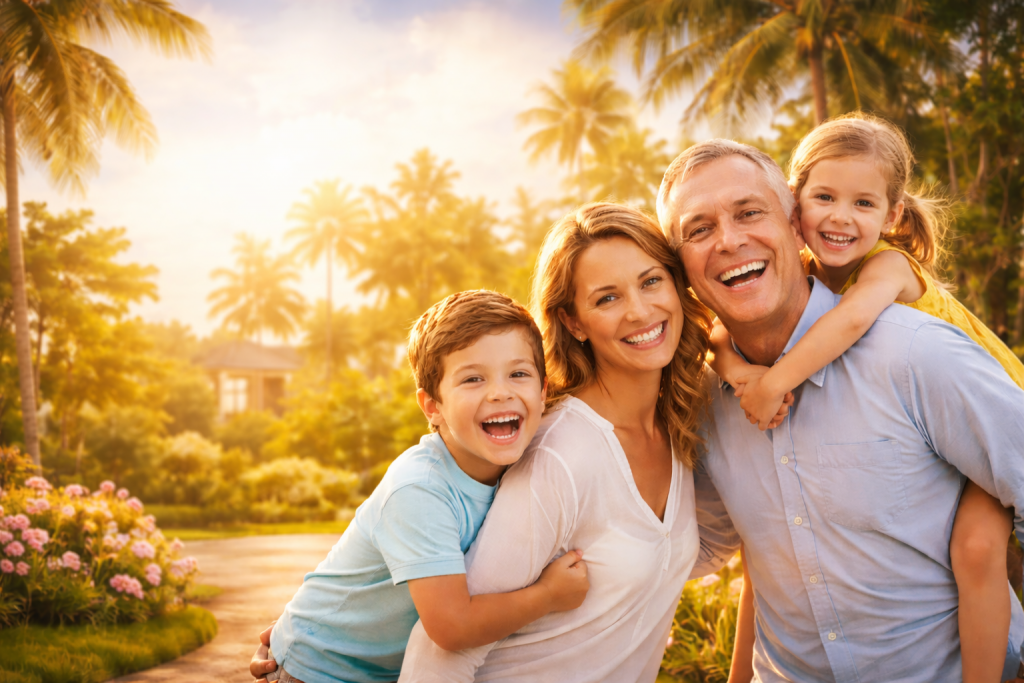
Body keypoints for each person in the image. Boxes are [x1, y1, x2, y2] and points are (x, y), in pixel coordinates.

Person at [657, 138, 1024, 682]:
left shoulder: (916, 353)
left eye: (749, 213)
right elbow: (709, 546)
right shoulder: (707, 399)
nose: (730, 241)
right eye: (700, 229)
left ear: (793, 222)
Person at [395, 202, 726, 681]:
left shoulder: (676, 426)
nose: (639, 310)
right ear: (573, 322)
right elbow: (440, 651)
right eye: (607, 298)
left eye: (651, 281)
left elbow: (697, 548)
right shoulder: (561, 455)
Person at [254, 290, 590, 683]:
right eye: (472, 378)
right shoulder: (419, 489)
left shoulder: (533, 462)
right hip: (318, 669)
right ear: (432, 406)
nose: (500, 391)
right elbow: (451, 628)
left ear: (543, 390)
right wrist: (548, 596)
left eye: (518, 374)